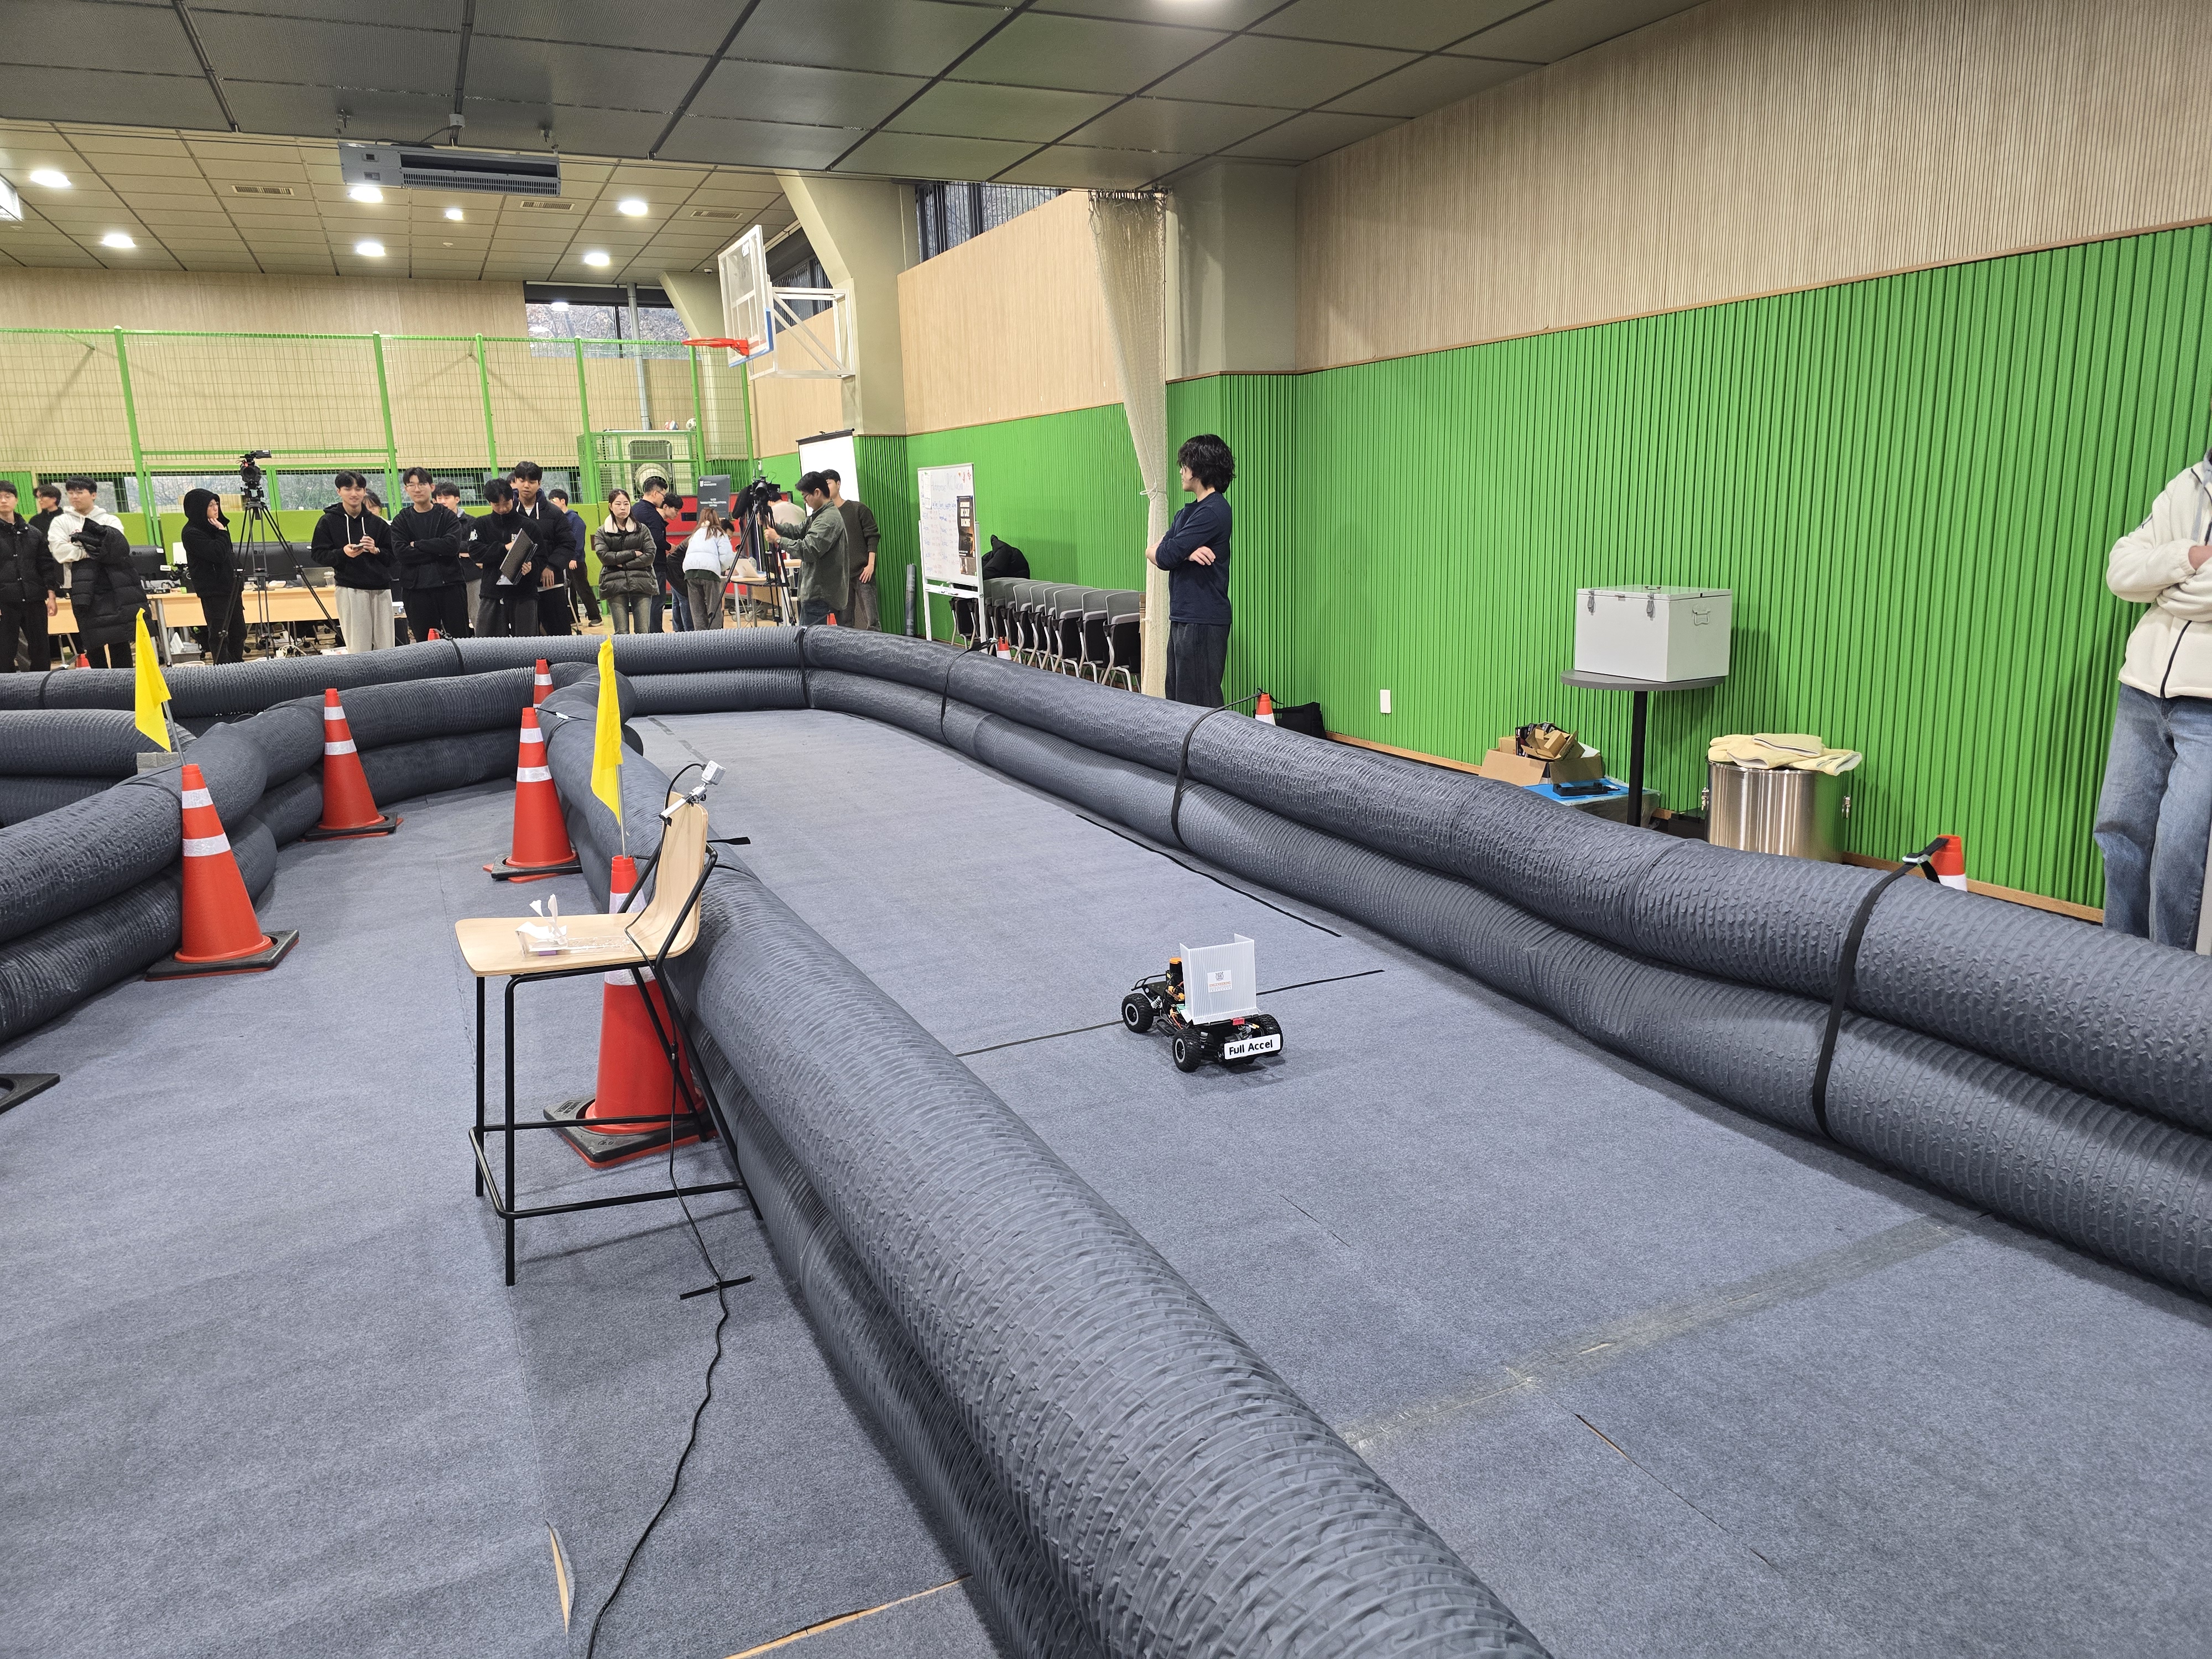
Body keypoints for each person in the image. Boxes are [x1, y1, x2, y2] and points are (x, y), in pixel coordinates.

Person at [2098, 445, 2212, 947]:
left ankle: (2168, 981)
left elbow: (2150, 582)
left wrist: (2164, 586)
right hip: (2142, 691)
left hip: (2207, 707)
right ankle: (2116, 963)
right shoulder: (2188, 484)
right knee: (2119, 834)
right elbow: (2122, 571)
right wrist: (2187, 557)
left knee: (2181, 854)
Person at [1150, 434, 1235, 707]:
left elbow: (1166, 555)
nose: (1181, 471)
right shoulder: (1186, 514)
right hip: (1183, 615)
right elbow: (1153, 552)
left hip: (1202, 619)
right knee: (1177, 699)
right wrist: (1186, 553)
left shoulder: (1213, 511)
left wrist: (1176, 552)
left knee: (1199, 704)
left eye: (1184, 466)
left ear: (1199, 468)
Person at [50, 479, 141, 668]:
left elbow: (116, 549)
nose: (74, 496)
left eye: (79, 492)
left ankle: (124, 681)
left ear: (93, 495)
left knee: (119, 640)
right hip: (80, 590)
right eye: (70, 493)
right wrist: (91, 550)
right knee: (92, 641)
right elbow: (60, 552)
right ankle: (98, 682)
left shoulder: (110, 520)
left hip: (112, 586)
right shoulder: (61, 522)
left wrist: (78, 547)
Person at [310, 471, 395, 652]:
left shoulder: (378, 524)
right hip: (350, 589)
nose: (354, 493)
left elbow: (393, 558)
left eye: (358, 489)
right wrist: (343, 553)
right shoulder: (328, 521)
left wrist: (376, 550)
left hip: (381, 589)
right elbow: (318, 554)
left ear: (364, 491)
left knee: (387, 647)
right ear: (339, 492)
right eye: (348, 489)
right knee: (358, 647)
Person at [391, 467, 471, 640]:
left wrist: (417, 544)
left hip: (450, 586)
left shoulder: (447, 516)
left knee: (460, 639)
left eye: (422, 484)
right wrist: (438, 550)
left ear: (432, 487)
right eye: (412, 485)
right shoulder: (401, 520)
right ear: (406, 489)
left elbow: (452, 546)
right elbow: (402, 554)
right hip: (416, 590)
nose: (417, 489)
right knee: (425, 643)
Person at [763, 471, 848, 627]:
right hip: (817, 592)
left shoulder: (828, 519)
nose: (805, 501)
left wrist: (778, 539)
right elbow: (798, 531)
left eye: (805, 496)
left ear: (817, 492)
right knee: (810, 638)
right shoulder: (819, 515)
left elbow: (808, 550)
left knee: (809, 639)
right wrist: (774, 525)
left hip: (820, 595)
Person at [0, 481, 62, 672]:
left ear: (16, 500)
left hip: (34, 599)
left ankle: (40, 686)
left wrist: (51, 595)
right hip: (5, 600)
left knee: (41, 650)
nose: (3, 500)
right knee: (5, 651)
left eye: (8, 496)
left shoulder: (33, 533)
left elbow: (46, 565)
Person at [469, 478, 542, 638]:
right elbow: (475, 552)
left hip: (524, 595)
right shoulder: (481, 525)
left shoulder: (529, 526)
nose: (502, 509)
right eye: (497, 505)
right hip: (492, 593)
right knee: (489, 645)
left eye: (506, 503)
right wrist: (504, 548)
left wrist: (531, 567)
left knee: (526, 645)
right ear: (489, 503)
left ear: (513, 499)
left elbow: (541, 557)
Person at [179, 488, 246, 664]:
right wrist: (222, 532)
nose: (216, 508)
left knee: (239, 632)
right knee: (220, 634)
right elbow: (218, 554)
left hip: (231, 588)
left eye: (216, 503)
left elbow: (228, 555)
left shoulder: (215, 527)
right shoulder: (192, 532)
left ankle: (238, 667)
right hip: (214, 591)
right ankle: (223, 670)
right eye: (210, 505)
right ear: (199, 508)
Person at [510, 462, 575, 637]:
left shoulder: (554, 513)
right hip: (520, 589)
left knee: (560, 637)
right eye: (522, 480)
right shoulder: (508, 514)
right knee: (524, 640)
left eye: (532, 481)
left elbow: (568, 544)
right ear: (515, 481)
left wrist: (551, 566)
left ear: (539, 483)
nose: (526, 485)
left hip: (550, 586)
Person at [593, 488, 657, 634]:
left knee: (643, 631)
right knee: (621, 632)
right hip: (614, 584)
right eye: (618, 504)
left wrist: (623, 564)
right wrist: (633, 553)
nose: (623, 508)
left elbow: (650, 555)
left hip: (642, 582)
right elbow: (605, 557)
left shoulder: (642, 529)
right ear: (610, 506)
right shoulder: (602, 532)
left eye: (626, 504)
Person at [825, 468, 880, 631]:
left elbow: (873, 537)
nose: (826, 488)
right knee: (845, 623)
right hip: (841, 577)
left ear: (838, 484)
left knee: (872, 621)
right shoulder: (826, 516)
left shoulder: (858, 509)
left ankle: (876, 646)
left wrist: (870, 565)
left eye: (828, 483)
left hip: (863, 572)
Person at [635, 477, 684, 634]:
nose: (664, 499)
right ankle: (656, 635)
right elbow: (656, 539)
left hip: (637, 564)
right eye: (663, 495)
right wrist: (669, 546)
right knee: (657, 601)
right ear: (655, 493)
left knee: (643, 602)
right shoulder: (652, 514)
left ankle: (644, 633)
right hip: (655, 564)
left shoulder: (635, 510)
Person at [550, 488, 601, 627]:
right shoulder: (559, 519)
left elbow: (578, 539)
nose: (552, 504)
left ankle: (595, 616)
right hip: (565, 561)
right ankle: (573, 618)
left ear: (563, 501)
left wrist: (574, 557)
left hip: (576, 561)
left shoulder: (574, 518)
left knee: (582, 589)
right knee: (569, 590)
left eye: (554, 501)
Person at [681, 506, 737, 630]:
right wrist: (720, 568)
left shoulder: (695, 533)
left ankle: (700, 637)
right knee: (714, 607)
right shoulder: (719, 533)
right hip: (709, 573)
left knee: (697, 610)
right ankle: (714, 636)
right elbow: (727, 557)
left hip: (690, 573)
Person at [437, 481, 479, 634]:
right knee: (454, 622)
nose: (443, 501)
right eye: (439, 498)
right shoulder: (435, 523)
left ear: (457, 499)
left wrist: (448, 547)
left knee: (478, 617)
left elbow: (473, 547)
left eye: (447, 498)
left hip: (472, 577)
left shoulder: (471, 521)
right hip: (447, 579)